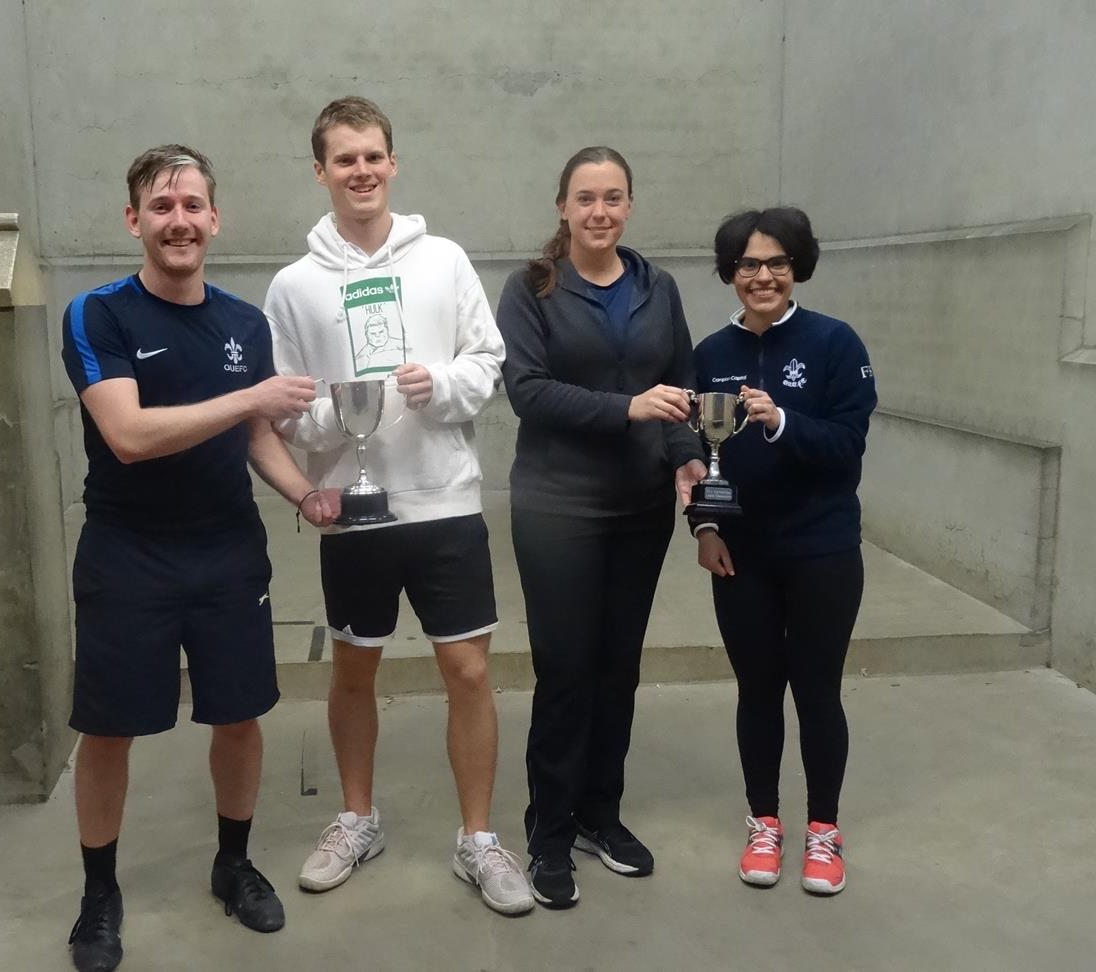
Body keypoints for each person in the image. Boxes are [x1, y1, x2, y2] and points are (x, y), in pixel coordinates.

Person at [60, 145, 336, 972]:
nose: (178, 221)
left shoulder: (243, 324)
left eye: (192, 206)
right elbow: (129, 435)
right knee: (108, 731)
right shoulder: (97, 315)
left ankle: (234, 863)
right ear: (134, 219)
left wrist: (304, 495)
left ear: (214, 218)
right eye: (161, 206)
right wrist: (254, 394)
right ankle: (99, 893)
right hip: (127, 555)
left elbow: (254, 435)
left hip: (226, 556)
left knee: (238, 715)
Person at [263, 97, 533, 916]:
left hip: (444, 505)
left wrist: (440, 385)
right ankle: (356, 817)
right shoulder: (294, 285)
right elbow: (282, 406)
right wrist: (336, 416)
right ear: (320, 171)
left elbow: (489, 359)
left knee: (469, 670)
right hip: (353, 509)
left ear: (393, 162)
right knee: (353, 670)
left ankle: (478, 838)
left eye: (373, 155)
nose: (361, 170)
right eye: (343, 158)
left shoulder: (443, 260)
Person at [495, 147, 706, 909]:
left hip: (640, 506)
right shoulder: (531, 289)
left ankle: (599, 815)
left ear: (629, 206)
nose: (600, 212)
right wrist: (626, 408)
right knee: (567, 671)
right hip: (557, 506)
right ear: (563, 207)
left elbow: (681, 385)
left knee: (620, 667)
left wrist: (685, 456)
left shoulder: (659, 287)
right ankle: (548, 833)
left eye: (614, 197)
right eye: (586, 198)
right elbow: (527, 391)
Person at [689, 207, 876, 896]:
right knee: (757, 689)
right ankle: (763, 822)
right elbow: (697, 454)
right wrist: (704, 531)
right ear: (730, 273)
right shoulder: (710, 353)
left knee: (817, 688)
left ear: (797, 267)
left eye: (776, 263)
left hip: (821, 546)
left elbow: (846, 447)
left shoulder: (834, 343)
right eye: (747, 264)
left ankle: (822, 830)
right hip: (740, 554)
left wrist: (781, 421)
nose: (762, 276)